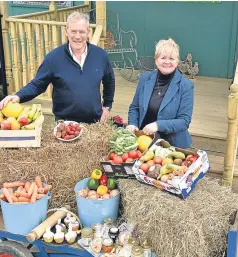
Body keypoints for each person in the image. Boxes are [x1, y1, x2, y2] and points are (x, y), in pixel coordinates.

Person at [0, 12, 115, 123]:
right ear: (66, 31)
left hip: (94, 122)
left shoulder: (100, 56)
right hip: (64, 125)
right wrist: (18, 96)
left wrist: (107, 106)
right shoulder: (53, 58)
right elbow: (37, 85)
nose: (77, 36)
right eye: (73, 31)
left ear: (88, 32)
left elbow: (109, 81)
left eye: (82, 32)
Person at [127, 38, 194, 148]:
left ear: (177, 62)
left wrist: (158, 125)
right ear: (156, 60)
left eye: (171, 58)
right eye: (163, 58)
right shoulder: (145, 79)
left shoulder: (185, 85)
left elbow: (184, 121)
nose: (167, 62)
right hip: (144, 141)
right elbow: (135, 107)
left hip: (172, 145)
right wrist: (132, 123)